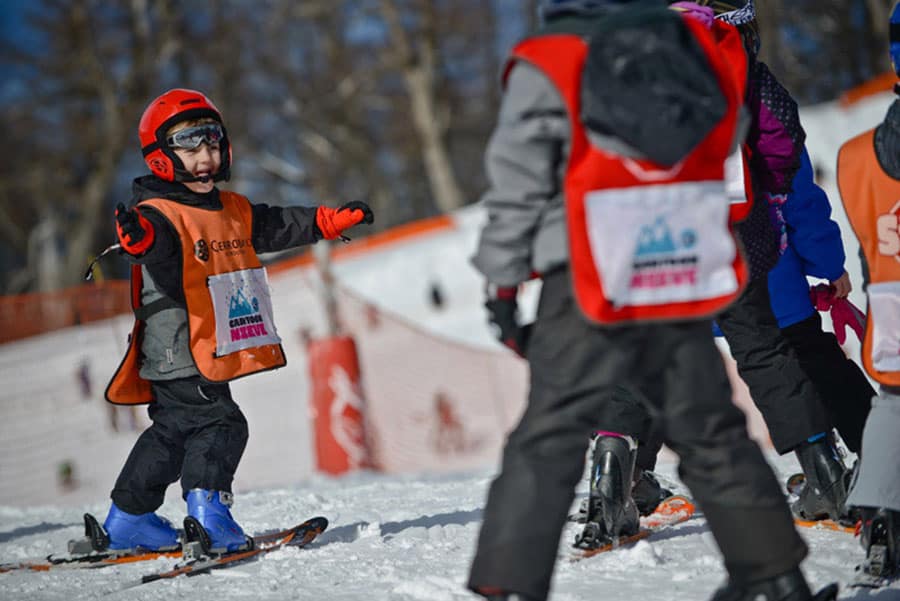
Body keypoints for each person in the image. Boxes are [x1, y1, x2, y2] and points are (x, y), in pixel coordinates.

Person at [467, 1, 836, 600]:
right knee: (710, 425)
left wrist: (505, 286)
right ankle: (776, 581)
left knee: (550, 430)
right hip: (680, 250)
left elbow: (519, 183)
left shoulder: (547, 59)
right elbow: (729, 133)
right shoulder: (683, 39)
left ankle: (513, 583)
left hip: (590, 258)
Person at [101, 88, 373, 553]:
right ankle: (209, 518)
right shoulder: (160, 214)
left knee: (173, 432)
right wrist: (140, 240)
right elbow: (155, 245)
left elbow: (275, 224)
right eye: (189, 146)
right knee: (222, 424)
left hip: (201, 346)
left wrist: (325, 222)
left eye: (212, 144)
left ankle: (128, 518)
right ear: (162, 157)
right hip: (182, 345)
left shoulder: (231, 210)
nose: (205, 157)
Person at [839, 1, 900, 579]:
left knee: (892, 404)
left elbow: (866, 246)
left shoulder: (857, 156)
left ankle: (881, 518)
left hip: (894, 313)